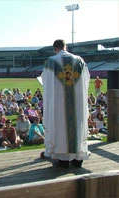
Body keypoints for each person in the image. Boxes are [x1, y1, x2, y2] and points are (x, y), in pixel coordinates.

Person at [42, 39, 90, 168]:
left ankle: (63, 158)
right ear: (65, 47)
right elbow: (86, 80)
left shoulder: (52, 61)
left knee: (60, 126)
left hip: (58, 103)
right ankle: (78, 157)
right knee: (77, 125)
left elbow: (45, 82)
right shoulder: (79, 60)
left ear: (55, 49)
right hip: (77, 102)